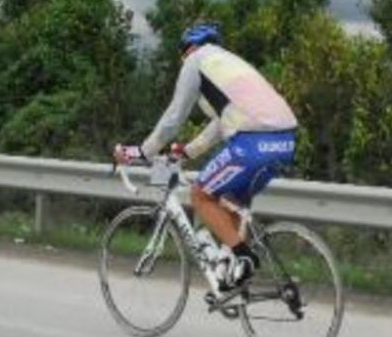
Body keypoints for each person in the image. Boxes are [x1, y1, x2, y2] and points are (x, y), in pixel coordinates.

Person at [113, 23, 298, 292]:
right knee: (230, 202)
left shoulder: (196, 61)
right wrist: (187, 151)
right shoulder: (230, 63)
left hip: (253, 142)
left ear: (187, 49)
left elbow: (173, 119)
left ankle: (244, 257)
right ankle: (230, 275)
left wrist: (142, 152)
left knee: (200, 195)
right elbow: (220, 124)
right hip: (284, 142)